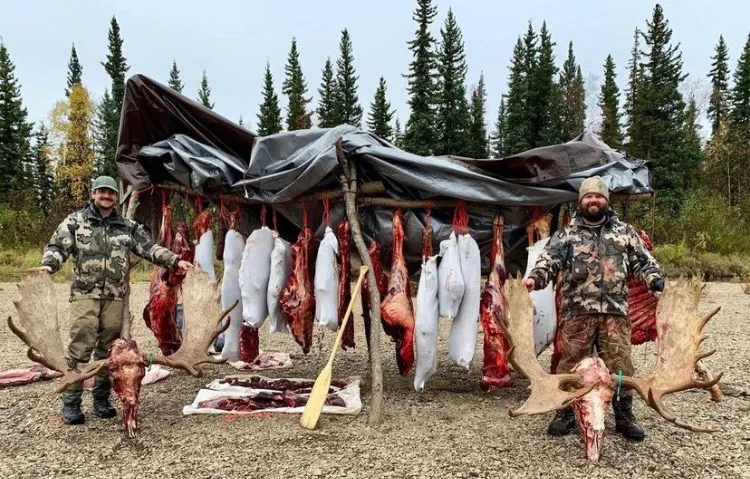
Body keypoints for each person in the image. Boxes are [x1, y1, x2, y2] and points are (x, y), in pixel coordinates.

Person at [40, 176, 192, 425]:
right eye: (102, 191)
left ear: (116, 197)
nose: (107, 196)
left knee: (109, 350)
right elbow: (58, 246)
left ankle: (101, 400)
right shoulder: (76, 221)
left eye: (111, 192)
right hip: (85, 294)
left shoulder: (126, 226)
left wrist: (174, 261)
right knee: (80, 347)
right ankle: (72, 403)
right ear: (93, 193)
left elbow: (150, 248)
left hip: (114, 296)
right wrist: (49, 265)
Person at [523, 176, 664, 441]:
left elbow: (643, 263)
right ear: (581, 201)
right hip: (577, 312)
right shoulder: (566, 235)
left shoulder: (625, 233)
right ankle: (564, 412)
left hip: (615, 312)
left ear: (606, 200)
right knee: (571, 363)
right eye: (589, 196)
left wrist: (655, 280)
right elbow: (548, 262)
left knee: (620, 366)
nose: (594, 200)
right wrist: (535, 279)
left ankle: (624, 416)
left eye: (599, 196)